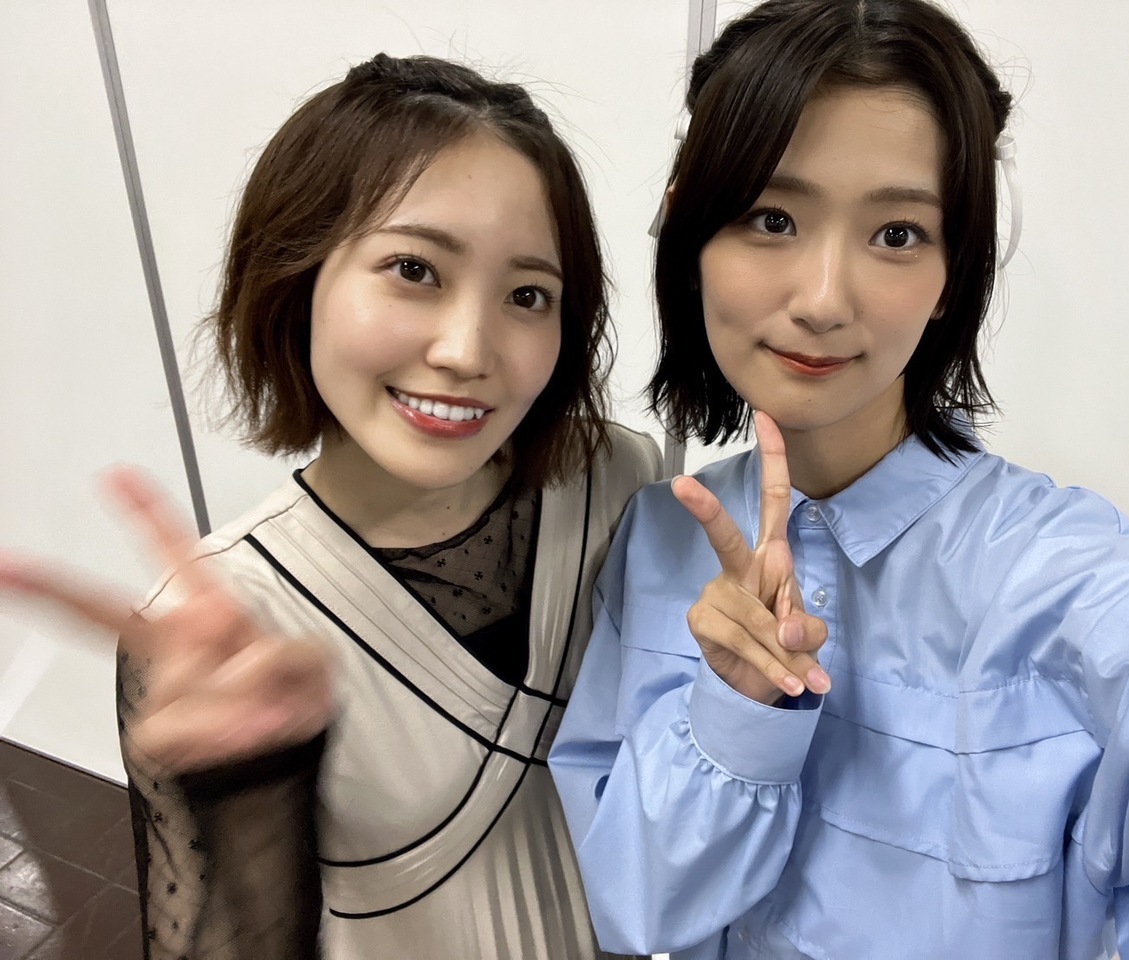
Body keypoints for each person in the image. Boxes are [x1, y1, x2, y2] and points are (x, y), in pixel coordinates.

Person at [547, 1, 1129, 958]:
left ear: (951, 275)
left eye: (896, 234)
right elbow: (633, 909)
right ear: (693, 239)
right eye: (772, 218)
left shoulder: (1061, 574)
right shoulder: (658, 536)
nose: (822, 300)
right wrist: (737, 713)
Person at [0, 54, 657, 959]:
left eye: (527, 295)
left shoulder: (615, 475)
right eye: (415, 269)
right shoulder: (228, 621)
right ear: (298, 275)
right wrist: (251, 790)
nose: (469, 350)